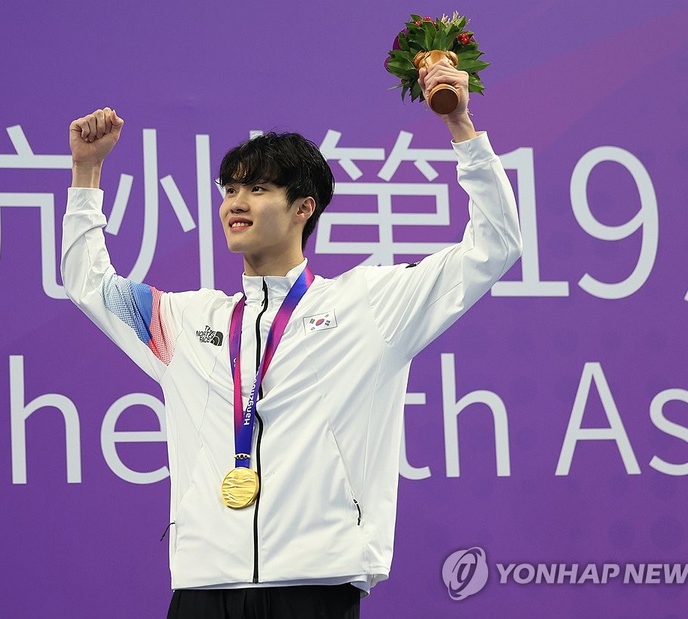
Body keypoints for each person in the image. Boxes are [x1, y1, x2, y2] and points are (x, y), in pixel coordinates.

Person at [61, 60, 522, 619]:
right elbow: (88, 285)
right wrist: (86, 175)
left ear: (304, 208)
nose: (236, 202)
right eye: (231, 188)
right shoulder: (184, 322)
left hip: (316, 588)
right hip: (203, 592)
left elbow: (493, 248)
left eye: (258, 188)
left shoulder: (366, 306)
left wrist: (462, 127)